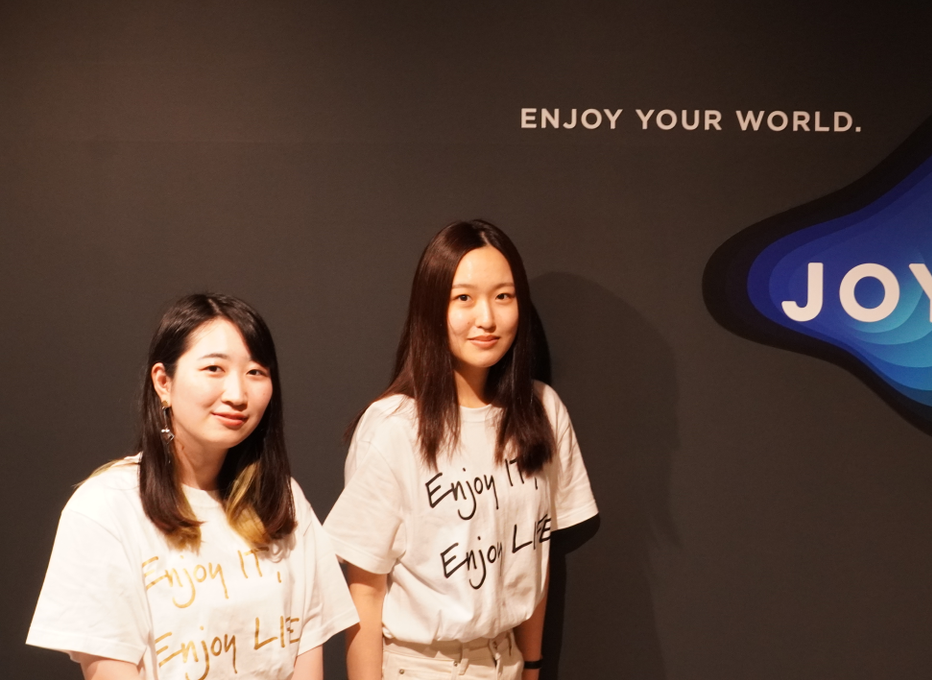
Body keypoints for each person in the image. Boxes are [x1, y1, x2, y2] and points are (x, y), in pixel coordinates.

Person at [27, 293, 358, 679]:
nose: (237, 394)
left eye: (256, 372)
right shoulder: (107, 507)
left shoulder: (283, 500)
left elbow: (305, 655)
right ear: (163, 382)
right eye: (214, 368)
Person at [325, 219, 597, 680]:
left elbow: (534, 553)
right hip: (424, 666)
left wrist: (532, 665)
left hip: (507, 661)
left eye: (503, 296)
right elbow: (365, 593)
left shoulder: (542, 410)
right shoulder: (395, 427)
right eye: (464, 298)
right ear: (432, 308)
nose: (486, 318)